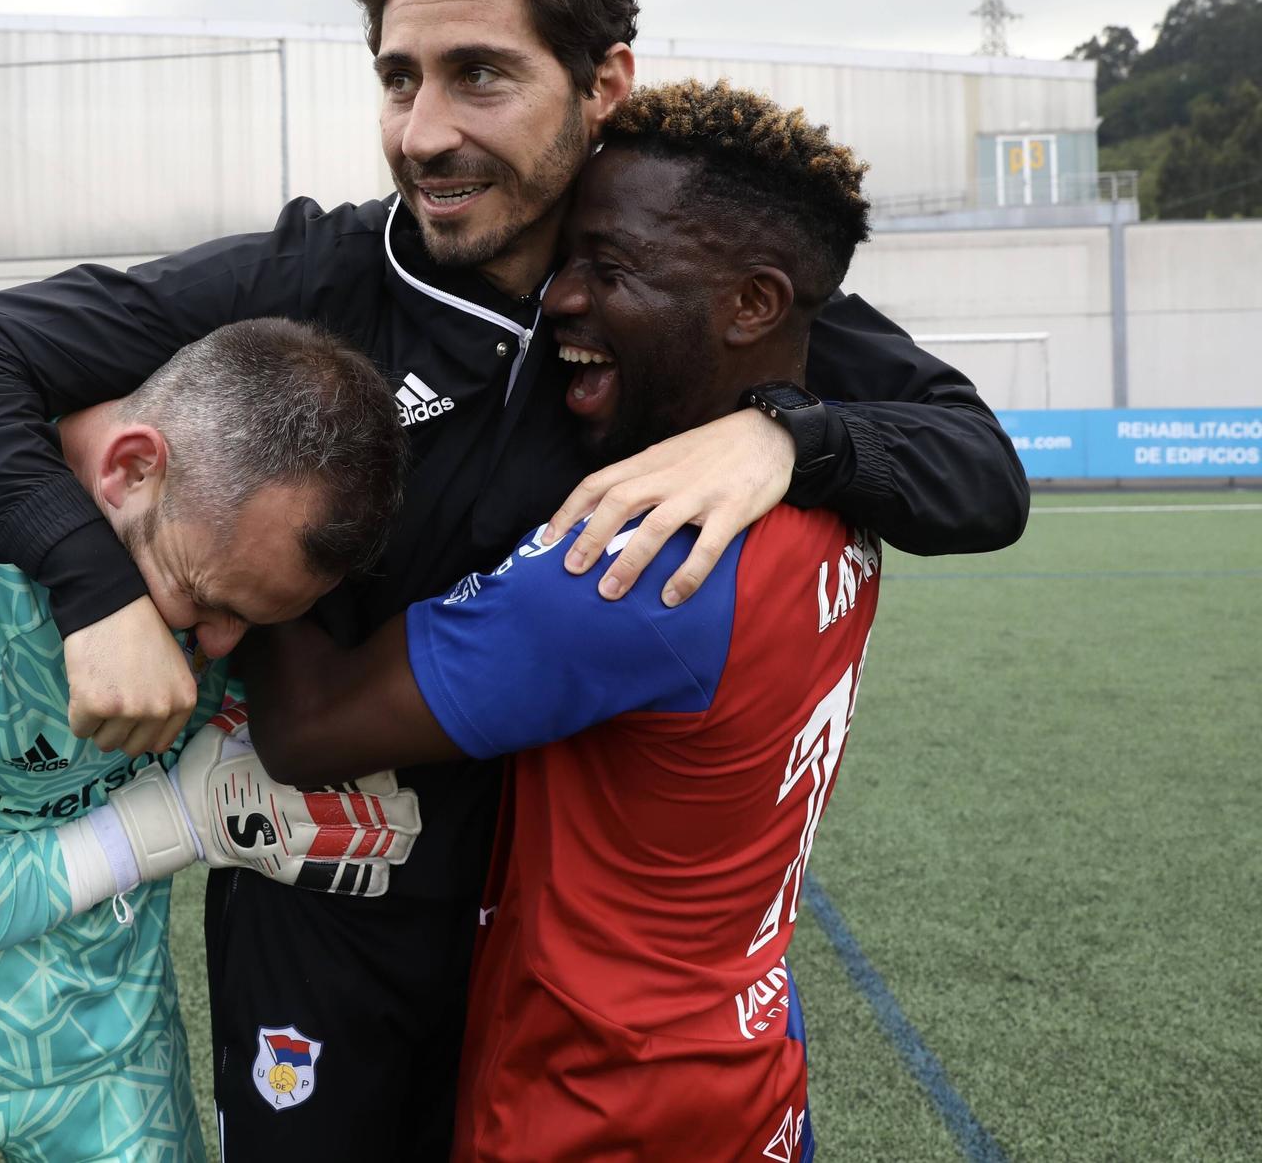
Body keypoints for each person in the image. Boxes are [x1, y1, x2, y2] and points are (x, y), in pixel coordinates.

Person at [0, 0, 1028, 1159]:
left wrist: (781, 435)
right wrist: (95, 591)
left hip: (560, 957)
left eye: (478, 75)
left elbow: (979, 470)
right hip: (331, 936)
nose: (420, 132)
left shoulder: (678, 284)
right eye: (396, 77)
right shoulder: (311, 277)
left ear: (601, 86)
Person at [241, 80, 882, 1161]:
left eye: (608, 268)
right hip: (744, 1065)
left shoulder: (636, 563)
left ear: (751, 303)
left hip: (598, 1104)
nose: (560, 299)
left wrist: (257, 486)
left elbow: (304, 726)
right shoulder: (841, 489)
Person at [0, 318, 417, 1163]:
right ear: (131, 467)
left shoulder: (204, 530)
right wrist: (173, 825)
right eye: (204, 598)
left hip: (118, 1049)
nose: (220, 646)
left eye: (254, 621)